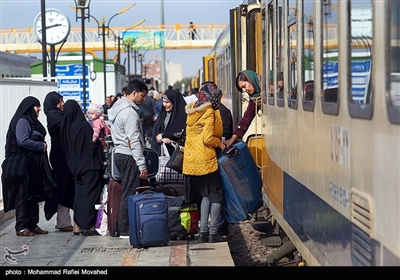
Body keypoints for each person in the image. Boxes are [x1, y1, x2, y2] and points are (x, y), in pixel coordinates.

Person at [1, 96, 57, 236]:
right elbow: (22, 140)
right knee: (23, 196)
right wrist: (40, 146)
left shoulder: (31, 121)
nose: (39, 109)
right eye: (36, 106)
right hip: (22, 167)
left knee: (33, 196)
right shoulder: (22, 121)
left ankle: (32, 224)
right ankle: (21, 226)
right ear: (29, 107)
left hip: (32, 166)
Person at [183, 83, 227, 243]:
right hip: (206, 160)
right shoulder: (209, 111)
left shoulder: (193, 108)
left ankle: (203, 233)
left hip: (192, 160)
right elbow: (207, 138)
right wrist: (220, 144)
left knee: (205, 195)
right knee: (216, 196)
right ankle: (213, 233)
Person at [107, 79, 149, 238]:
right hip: (129, 155)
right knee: (130, 192)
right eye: (142, 96)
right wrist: (142, 164)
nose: (143, 99)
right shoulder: (130, 112)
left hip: (119, 153)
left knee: (127, 191)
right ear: (134, 93)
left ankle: (124, 226)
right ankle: (125, 229)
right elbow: (133, 140)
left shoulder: (117, 107)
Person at [60, 100, 105, 236]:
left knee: (79, 195)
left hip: (74, 167)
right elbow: (92, 147)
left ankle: (78, 225)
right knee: (90, 195)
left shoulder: (65, 127)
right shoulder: (83, 126)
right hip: (89, 166)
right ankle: (87, 225)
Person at [43, 91, 75, 232]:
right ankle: (62, 221)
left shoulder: (57, 115)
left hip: (64, 154)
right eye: (59, 102)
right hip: (60, 155)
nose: (62, 104)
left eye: (63, 101)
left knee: (66, 186)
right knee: (62, 186)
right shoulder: (54, 115)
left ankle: (63, 221)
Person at [223, 70, 262, 148]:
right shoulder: (254, 98)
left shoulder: (270, 85)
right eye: (242, 88)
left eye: (244, 86)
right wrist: (233, 139)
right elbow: (246, 119)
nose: (244, 90)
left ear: (251, 80)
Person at [151, 89, 187, 156]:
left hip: (176, 154)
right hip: (162, 152)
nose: (164, 104)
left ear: (174, 103)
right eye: (163, 101)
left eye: (167, 102)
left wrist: (168, 137)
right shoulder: (163, 114)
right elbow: (156, 130)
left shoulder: (183, 116)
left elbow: (182, 133)